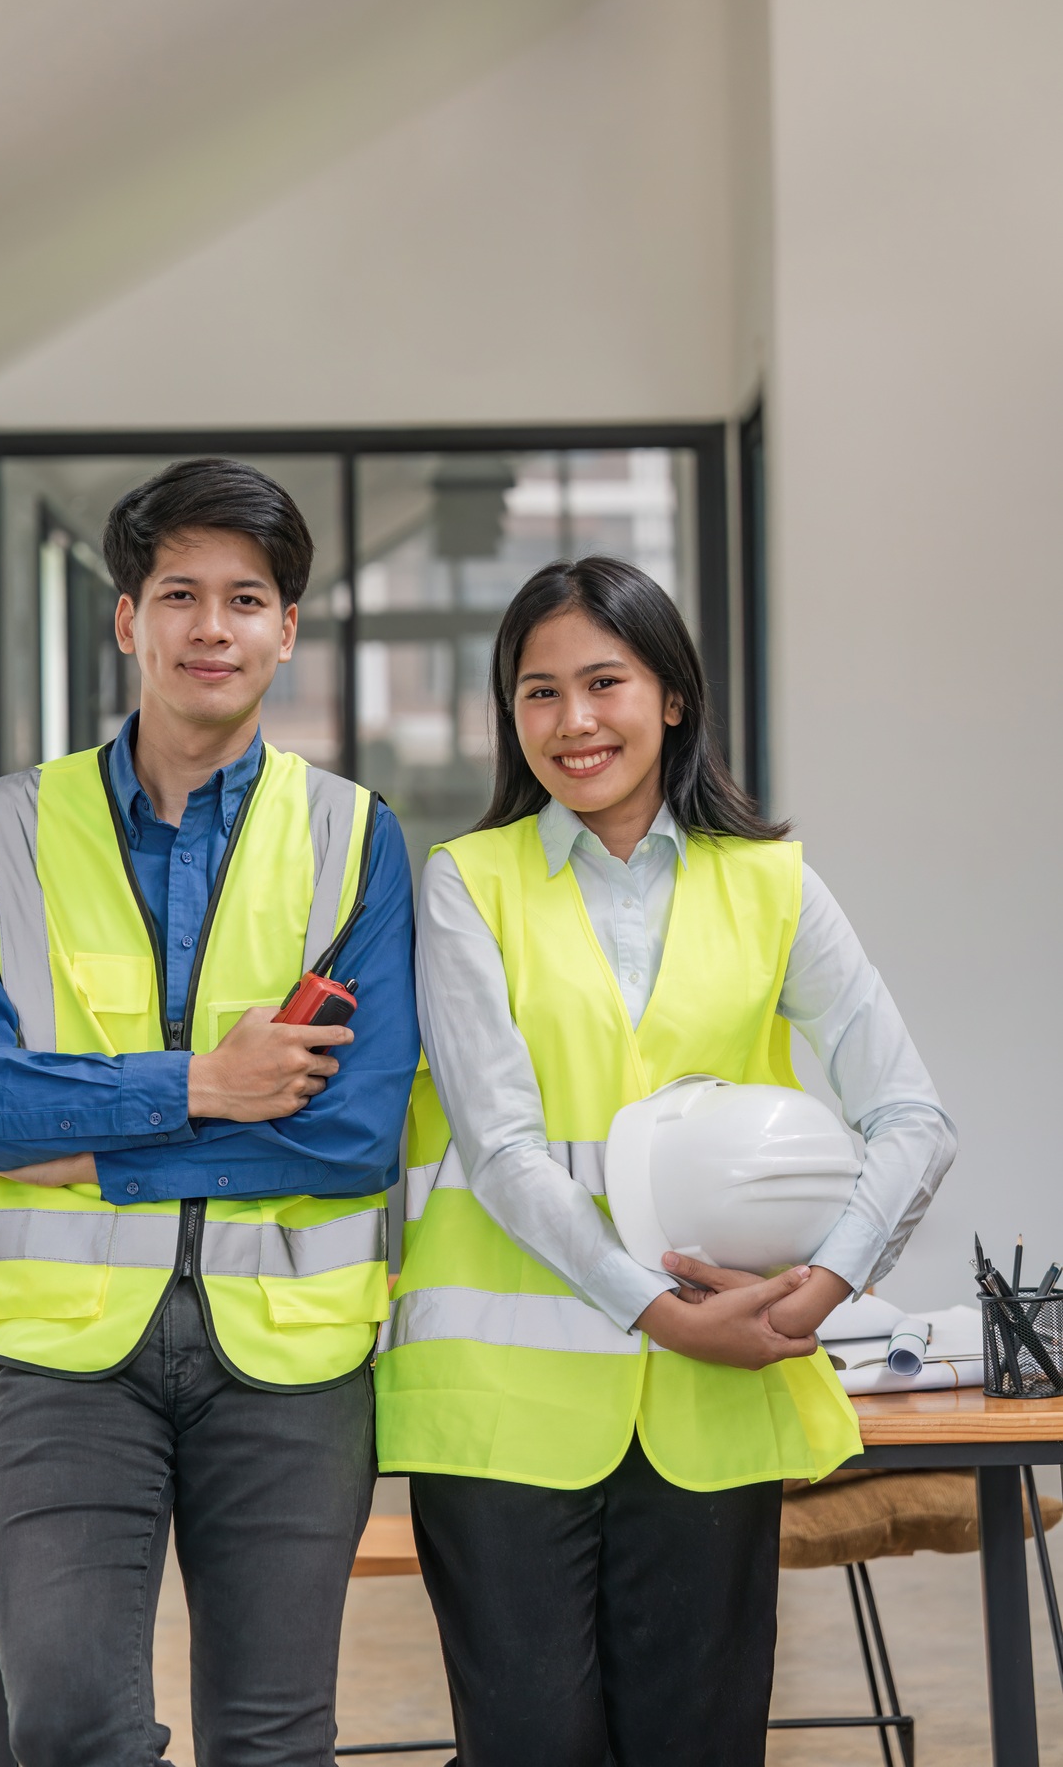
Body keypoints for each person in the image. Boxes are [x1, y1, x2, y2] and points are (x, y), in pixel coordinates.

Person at [375, 555, 955, 1767]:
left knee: (699, 1743)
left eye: (605, 682)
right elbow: (501, 1148)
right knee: (529, 1744)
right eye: (538, 691)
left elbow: (911, 1114)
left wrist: (824, 1285)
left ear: (672, 696)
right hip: (503, 1407)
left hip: (712, 1401)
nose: (572, 720)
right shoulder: (466, 884)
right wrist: (659, 1309)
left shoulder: (772, 885)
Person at [0, 458, 419, 1767]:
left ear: (286, 629)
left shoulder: (353, 838)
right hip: (63, 1358)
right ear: (127, 618)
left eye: (245, 598)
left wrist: (87, 1154)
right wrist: (199, 1086)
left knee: (272, 1739)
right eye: (179, 593)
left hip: (290, 1358)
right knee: (68, 1722)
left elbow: (350, 1134)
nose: (210, 627)